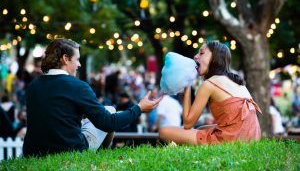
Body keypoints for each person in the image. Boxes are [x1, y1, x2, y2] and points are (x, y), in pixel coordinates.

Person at [23, 38, 162, 157]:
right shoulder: (78, 86)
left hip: (34, 152)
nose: (79, 64)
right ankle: (99, 158)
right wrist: (138, 108)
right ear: (65, 58)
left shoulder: (32, 86)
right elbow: (108, 123)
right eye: (77, 59)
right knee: (110, 110)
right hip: (69, 150)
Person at [159, 41, 262, 145]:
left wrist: (187, 85)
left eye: (201, 53)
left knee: (164, 131)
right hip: (251, 137)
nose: (195, 56)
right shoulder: (237, 82)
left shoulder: (209, 84)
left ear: (214, 58)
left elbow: (187, 124)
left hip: (231, 139)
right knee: (202, 128)